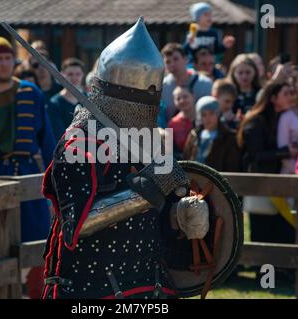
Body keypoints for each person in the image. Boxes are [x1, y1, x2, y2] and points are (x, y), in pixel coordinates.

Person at [41, 17, 209, 299]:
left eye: (149, 103)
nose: (144, 113)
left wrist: (180, 213)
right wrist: (149, 188)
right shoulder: (79, 141)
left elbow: (160, 208)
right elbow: (77, 224)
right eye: (139, 102)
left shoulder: (149, 138)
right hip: (92, 288)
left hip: (150, 283)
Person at [0, 37, 56, 298]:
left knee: (39, 240)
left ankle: (38, 294)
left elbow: (47, 141)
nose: (4, 64)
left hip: (28, 175)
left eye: (7, 58)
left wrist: (55, 181)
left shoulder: (31, 93)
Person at [237, 81, 294, 244]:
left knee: (281, 234)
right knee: (262, 235)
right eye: (286, 94)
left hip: (279, 185)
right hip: (260, 185)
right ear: (273, 98)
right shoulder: (256, 121)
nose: (291, 97)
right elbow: (256, 155)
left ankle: (279, 270)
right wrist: (285, 152)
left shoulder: (282, 119)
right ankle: (263, 270)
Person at [183, 96, 240, 172]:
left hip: (217, 181)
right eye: (203, 114)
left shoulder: (228, 137)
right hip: (195, 180)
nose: (208, 118)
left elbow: (233, 166)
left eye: (211, 113)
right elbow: (186, 159)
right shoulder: (193, 135)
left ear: (218, 114)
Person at [160, 43, 212, 124]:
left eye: (176, 59)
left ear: (185, 59)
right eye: (168, 61)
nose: (172, 64)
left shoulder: (205, 84)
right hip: (171, 133)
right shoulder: (162, 87)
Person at [47, 58, 85, 141]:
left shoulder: (90, 100)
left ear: (83, 75)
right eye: (70, 74)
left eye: (78, 74)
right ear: (62, 75)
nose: (74, 78)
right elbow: (59, 134)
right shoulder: (54, 103)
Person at [167, 86, 197, 156]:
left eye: (185, 97)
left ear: (193, 96)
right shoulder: (172, 124)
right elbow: (169, 151)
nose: (182, 101)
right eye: (178, 98)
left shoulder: (204, 117)